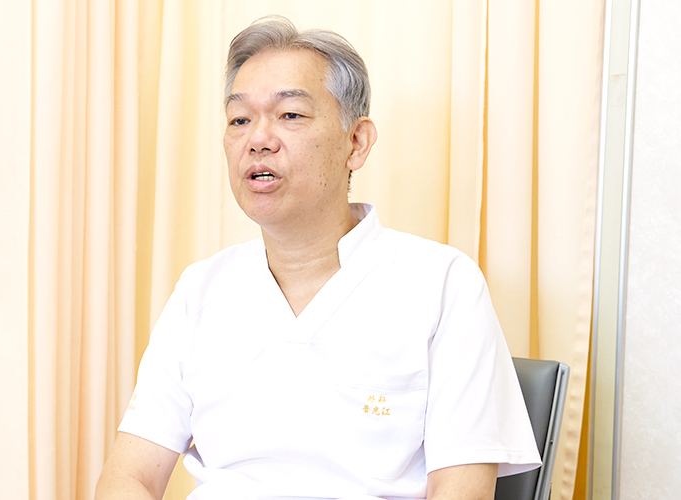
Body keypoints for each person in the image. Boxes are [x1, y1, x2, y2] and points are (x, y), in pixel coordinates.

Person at [95, 15, 541, 500]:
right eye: (240, 119)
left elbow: (461, 490)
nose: (258, 139)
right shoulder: (200, 289)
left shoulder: (442, 283)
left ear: (356, 142)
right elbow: (129, 477)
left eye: (290, 115)